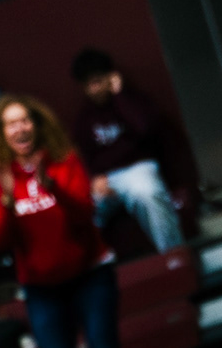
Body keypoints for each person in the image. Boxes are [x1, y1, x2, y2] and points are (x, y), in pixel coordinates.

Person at [0, 95, 146, 348]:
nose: (20, 128)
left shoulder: (63, 159)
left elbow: (86, 212)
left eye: (25, 120)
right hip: (42, 289)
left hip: (90, 275)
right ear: (2, 133)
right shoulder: (0, 179)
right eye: (11, 123)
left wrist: (53, 188)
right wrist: (7, 202)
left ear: (36, 124)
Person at [69, 48, 184, 252]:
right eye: (87, 84)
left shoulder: (133, 101)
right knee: (81, 209)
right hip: (106, 179)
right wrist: (94, 178)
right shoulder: (84, 118)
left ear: (110, 77)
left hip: (137, 169)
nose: (93, 89)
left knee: (146, 192)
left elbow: (146, 129)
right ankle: (96, 264)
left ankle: (174, 256)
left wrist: (120, 95)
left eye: (97, 81)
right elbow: (84, 156)